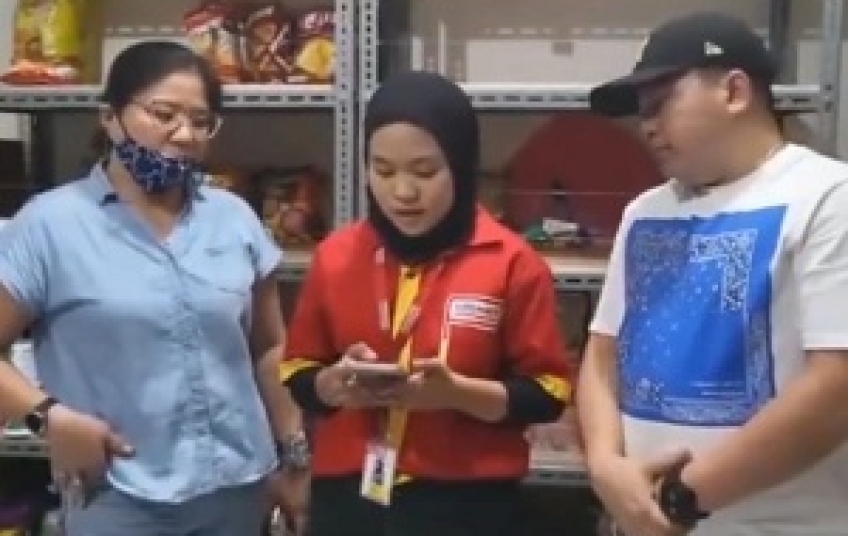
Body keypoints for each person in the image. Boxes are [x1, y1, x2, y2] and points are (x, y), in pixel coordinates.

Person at [0, 41, 308, 536]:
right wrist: (49, 419)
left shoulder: (234, 219)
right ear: (110, 117)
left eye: (201, 122)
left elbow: (270, 348)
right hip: (116, 494)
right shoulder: (49, 225)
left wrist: (293, 452)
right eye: (163, 114)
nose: (183, 134)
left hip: (237, 488)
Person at [579, 11, 848, 536]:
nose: (646, 126)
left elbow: (837, 386)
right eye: (640, 111)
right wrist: (607, 467)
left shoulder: (828, 197)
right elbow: (602, 355)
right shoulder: (644, 212)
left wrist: (678, 501)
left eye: (660, 102)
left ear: (734, 91)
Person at [280, 70, 573, 536]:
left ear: (461, 165)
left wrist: (457, 394)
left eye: (424, 172)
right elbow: (297, 369)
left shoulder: (511, 261)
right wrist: (332, 386)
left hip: (467, 503)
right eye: (382, 170)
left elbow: (548, 393)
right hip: (350, 497)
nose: (403, 192)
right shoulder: (337, 255)